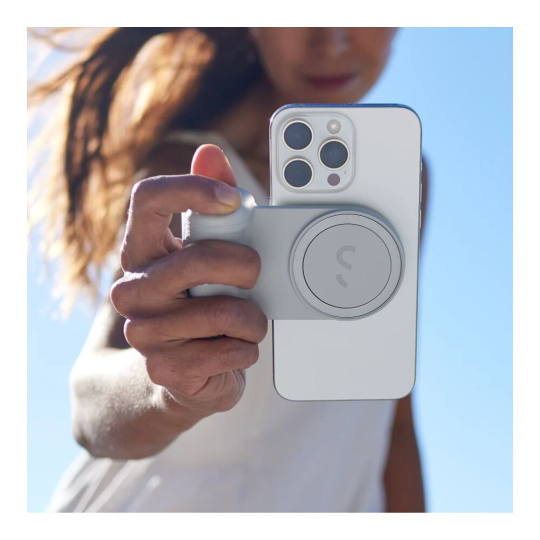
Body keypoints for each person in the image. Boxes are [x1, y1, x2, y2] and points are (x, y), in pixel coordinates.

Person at [28, 27, 427, 512]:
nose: (331, 41)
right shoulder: (193, 172)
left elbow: (391, 415)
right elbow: (89, 404)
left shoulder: (405, 179)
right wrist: (167, 390)